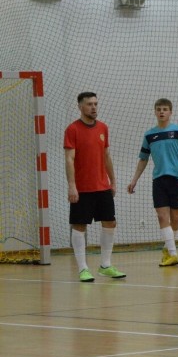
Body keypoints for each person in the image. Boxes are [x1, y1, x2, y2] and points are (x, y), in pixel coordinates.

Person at [64, 91, 126, 282]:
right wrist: (72, 186)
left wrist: (112, 181)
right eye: (90, 104)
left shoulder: (103, 128)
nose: (94, 107)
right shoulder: (72, 129)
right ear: (80, 107)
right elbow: (69, 158)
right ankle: (83, 269)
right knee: (80, 225)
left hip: (102, 187)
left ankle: (105, 265)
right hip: (82, 188)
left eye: (96, 104)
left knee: (110, 222)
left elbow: (106, 156)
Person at [127, 98, 178, 267]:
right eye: (159, 109)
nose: (162, 112)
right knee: (161, 216)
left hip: (177, 180)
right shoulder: (149, 135)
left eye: (165, 109)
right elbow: (143, 159)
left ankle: (167, 247)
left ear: (170, 112)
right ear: (155, 112)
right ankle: (173, 254)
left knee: (175, 218)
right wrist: (134, 180)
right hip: (159, 180)